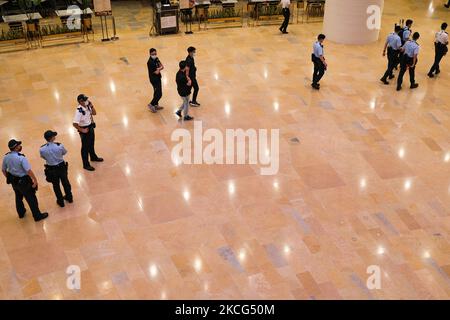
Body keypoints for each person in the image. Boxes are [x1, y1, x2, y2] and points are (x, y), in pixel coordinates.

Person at [2, 140, 48, 222]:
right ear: (16, 148)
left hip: (14, 181)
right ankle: (37, 216)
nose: (20, 146)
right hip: (24, 182)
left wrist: (8, 178)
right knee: (31, 198)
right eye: (19, 145)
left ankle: (21, 213)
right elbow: (28, 171)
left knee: (18, 196)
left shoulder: (6, 157)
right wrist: (35, 180)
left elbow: (3, 170)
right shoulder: (21, 158)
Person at [40, 130, 73, 208]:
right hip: (61, 167)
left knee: (56, 185)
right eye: (54, 136)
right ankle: (69, 197)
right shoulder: (59, 146)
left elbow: (43, 157)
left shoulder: (42, 149)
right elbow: (64, 153)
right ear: (52, 138)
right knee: (65, 183)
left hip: (51, 169)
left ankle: (60, 201)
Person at [72, 94, 103, 171]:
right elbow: (74, 123)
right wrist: (82, 130)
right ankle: (86, 164)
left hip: (90, 127)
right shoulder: (79, 111)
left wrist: (91, 106)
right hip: (84, 129)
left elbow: (94, 113)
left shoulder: (88, 106)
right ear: (80, 101)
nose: (87, 101)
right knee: (85, 148)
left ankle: (93, 157)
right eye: (85, 100)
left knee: (91, 143)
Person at [147, 48, 164, 113]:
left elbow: (162, 66)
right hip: (154, 79)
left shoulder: (156, 58)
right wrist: (159, 68)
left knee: (157, 92)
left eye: (155, 54)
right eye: (153, 54)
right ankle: (151, 104)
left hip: (158, 78)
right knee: (159, 94)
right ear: (150, 54)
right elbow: (157, 71)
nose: (154, 55)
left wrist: (158, 69)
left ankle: (156, 105)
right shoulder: (150, 62)